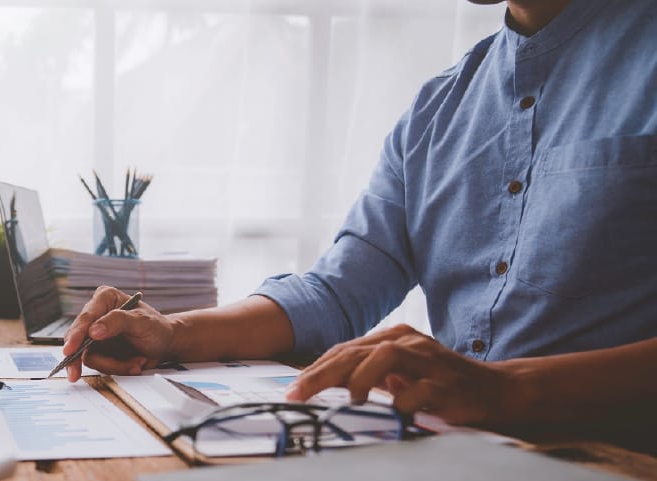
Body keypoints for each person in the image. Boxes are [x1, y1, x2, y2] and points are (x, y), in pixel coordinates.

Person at [63, 0, 657, 431]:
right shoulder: (437, 109)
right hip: (451, 456)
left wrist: (505, 390)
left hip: (620, 472)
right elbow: (339, 289)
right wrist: (172, 333)